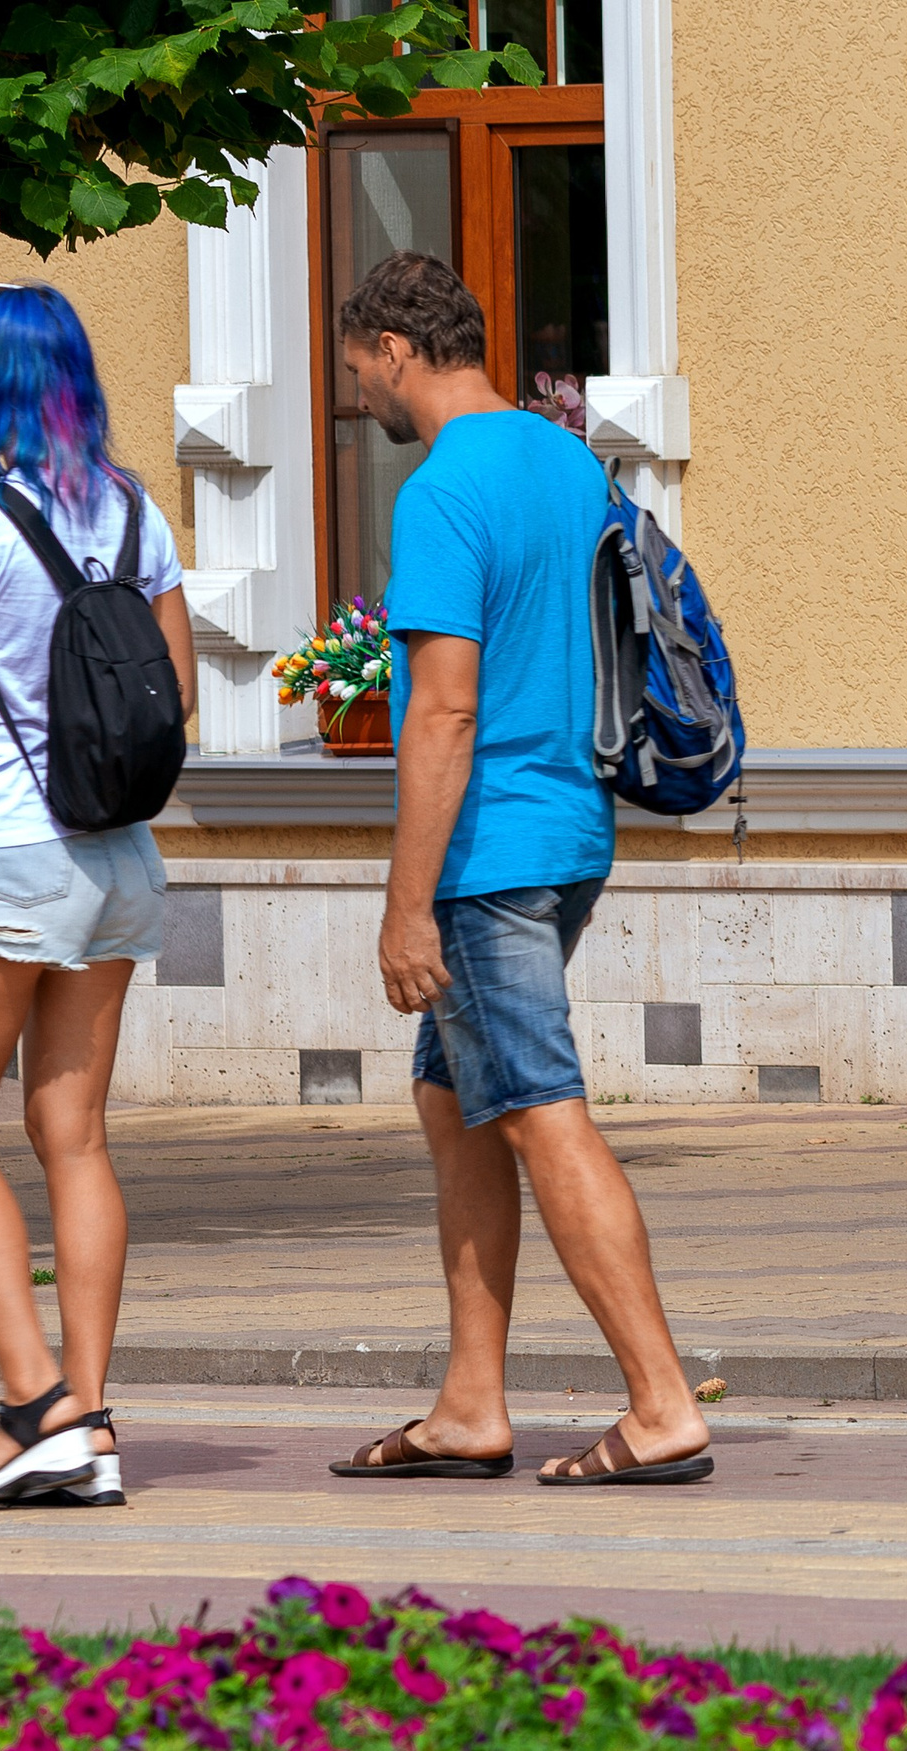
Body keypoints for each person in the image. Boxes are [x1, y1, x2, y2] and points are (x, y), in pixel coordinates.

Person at [328, 251, 711, 1485]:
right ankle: (469, 1404)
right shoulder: (564, 457)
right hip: (575, 828)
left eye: (354, 371)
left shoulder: (443, 490)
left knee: (541, 1113)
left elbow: (439, 715)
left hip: (487, 853)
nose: (356, 401)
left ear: (393, 346)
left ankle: (659, 1402)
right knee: (456, 1108)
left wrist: (404, 906)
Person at [0, 282, 195, 1507]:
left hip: (10, 855)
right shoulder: (133, 511)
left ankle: (35, 1395)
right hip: (119, 856)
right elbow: (172, 687)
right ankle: (88, 1422)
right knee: (75, 1134)